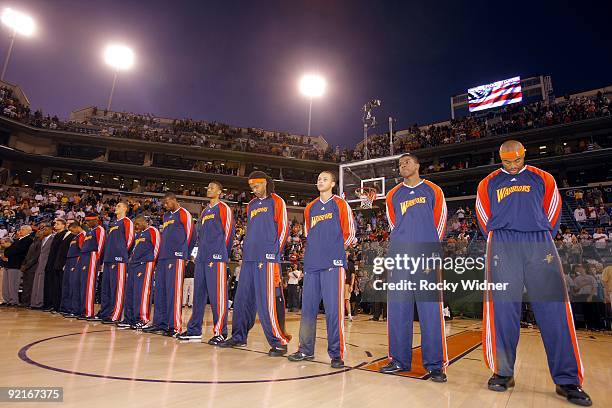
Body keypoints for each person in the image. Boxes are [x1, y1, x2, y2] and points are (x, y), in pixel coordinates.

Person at [475, 140, 591, 406]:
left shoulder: (543, 178)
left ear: (523, 155)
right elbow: (483, 216)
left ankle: (567, 379)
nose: (513, 166)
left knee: (554, 308)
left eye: (516, 160)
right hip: (502, 243)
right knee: (502, 310)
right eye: (507, 161)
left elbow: (553, 211)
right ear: (500, 159)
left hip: (539, 242)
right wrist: (499, 236)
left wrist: (540, 235)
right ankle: (503, 372)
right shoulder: (488, 183)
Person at [381, 153, 448, 383]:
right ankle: (398, 360)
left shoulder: (433, 190)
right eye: (399, 164)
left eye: (406, 162)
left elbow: (440, 221)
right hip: (400, 258)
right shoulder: (393, 195)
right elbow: (393, 223)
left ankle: (435, 365)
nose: (402, 166)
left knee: (430, 312)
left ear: (418, 165)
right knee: (398, 310)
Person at [287, 170, 355, 368]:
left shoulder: (340, 204)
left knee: (334, 311)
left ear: (333, 183)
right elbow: (309, 234)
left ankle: (336, 354)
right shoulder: (309, 208)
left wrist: (334, 251)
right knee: (307, 310)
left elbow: (350, 234)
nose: (320, 181)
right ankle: (305, 350)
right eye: (318, 179)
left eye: (324, 179)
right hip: (312, 265)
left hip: (333, 265)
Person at [219, 171, 291, 356]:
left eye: (256, 186)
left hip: (266, 258)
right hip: (249, 258)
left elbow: (283, 229)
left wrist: (273, 253)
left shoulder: (277, 201)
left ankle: (278, 342)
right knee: (242, 300)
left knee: (267, 302)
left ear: (265, 183)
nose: (254, 189)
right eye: (251, 187)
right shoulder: (251, 204)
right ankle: (238, 337)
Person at [179, 181, 235, 344]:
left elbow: (229, 232)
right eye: (208, 187)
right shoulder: (204, 212)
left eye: (212, 187)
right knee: (198, 296)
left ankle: (220, 332)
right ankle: (194, 330)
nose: (209, 189)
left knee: (218, 296)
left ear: (220, 191)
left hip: (216, 257)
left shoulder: (223, 208)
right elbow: (200, 236)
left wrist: (221, 253)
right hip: (201, 258)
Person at [143, 193, 193, 337]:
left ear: (174, 200)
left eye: (166, 202)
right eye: (163, 203)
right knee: (160, 291)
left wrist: (184, 254)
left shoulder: (184, 213)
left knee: (174, 292)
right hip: (164, 257)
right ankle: (160, 323)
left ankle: (174, 325)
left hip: (176, 257)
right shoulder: (166, 217)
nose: (164, 205)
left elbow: (191, 235)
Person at [120, 215, 159, 329]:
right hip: (134, 265)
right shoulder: (139, 234)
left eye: (137, 223)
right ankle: (129, 318)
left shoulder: (152, 231)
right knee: (131, 292)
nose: (135, 226)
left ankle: (143, 319)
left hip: (145, 265)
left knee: (142, 293)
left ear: (144, 222)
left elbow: (157, 247)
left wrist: (152, 262)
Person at [97, 202, 134, 323]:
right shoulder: (113, 223)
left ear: (125, 208)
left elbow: (130, 240)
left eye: (118, 206)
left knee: (117, 288)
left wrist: (122, 254)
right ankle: (105, 312)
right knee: (106, 288)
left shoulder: (127, 221)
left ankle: (115, 315)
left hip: (119, 259)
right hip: (108, 259)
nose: (115, 208)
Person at [75, 214, 106, 320]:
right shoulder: (89, 231)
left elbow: (101, 246)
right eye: (86, 221)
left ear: (95, 220)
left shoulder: (99, 229)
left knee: (89, 285)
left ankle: (89, 312)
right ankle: (83, 310)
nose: (87, 223)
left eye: (89, 221)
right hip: (85, 257)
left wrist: (99, 261)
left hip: (93, 257)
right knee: (83, 285)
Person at [42, 218, 72, 312]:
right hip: (53, 263)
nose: (55, 225)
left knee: (58, 286)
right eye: (55, 224)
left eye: (58, 224)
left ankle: (57, 306)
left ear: (64, 225)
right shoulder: (57, 235)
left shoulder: (65, 234)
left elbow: (62, 251)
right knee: (52, 286)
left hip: (59, 263)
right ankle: (52, 304)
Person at [1, 225, 34, 306]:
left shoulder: (28, 239)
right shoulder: (18, 239)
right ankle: (7, 300)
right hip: (9, 264)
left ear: (28, 231)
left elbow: (19, 250)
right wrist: (7, 253)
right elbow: (9, 248)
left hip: (16, 264)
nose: (20, 231)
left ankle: (14, 301)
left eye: (22, 229)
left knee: (13, 284)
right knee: (6, 284)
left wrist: (7, 253)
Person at [60, 222, 85, 316]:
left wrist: (77, 264)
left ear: (77, 227)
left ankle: (74, 309)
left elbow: (82, 250)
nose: (71, 232)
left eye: (72, 230)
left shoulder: (82, 235)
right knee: (67, 285)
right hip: (69, 261)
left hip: (76, 261)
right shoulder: (76, 236)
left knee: (73, 286)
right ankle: (66, 307)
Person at [29, 224, 54, 308]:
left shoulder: (53, 238)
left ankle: (40, 302)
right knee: (37, 283)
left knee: (42, 284)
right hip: (40, 263)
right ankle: (35, 302)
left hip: (46, 263)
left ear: (51, 230)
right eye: (43, 230)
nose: (44, 231)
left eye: (46, 229)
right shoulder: (42, 240)